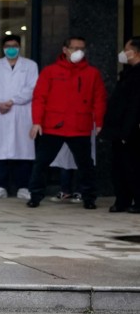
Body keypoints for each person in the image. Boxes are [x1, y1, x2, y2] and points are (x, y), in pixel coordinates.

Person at [27, 37, 106, 209]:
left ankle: (89, 197)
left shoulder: (92, 73)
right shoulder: (50, 71)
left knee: (85, 164)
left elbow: (99, 99)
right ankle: (35, 195)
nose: (78, 51)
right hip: (54, 125)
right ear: (65, 49)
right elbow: (39, 97)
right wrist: (37, 121)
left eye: (81, 48)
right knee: (41, 162)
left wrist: (99, 122)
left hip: (80, 126)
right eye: (74, 47)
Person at [0, 35, 38, 200]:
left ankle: (23, 187)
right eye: (7, 46)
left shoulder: (30, 66)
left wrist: (12, 101)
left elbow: (32, 88)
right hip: (0, 113)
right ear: (3, 48)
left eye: (14, 45)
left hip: (22, 112)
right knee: (0, 152)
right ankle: (1, 187)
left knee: (23, 152)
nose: (11, 49)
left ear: (20, 47)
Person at [102, 36, 140, 212]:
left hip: (131, 130)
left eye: (127, 49)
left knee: (132, 166)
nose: (123, 53)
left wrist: (127, 131)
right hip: (118, 129)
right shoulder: (127, 73)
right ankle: (122, 199)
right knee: (119, 167)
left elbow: (135, 105)